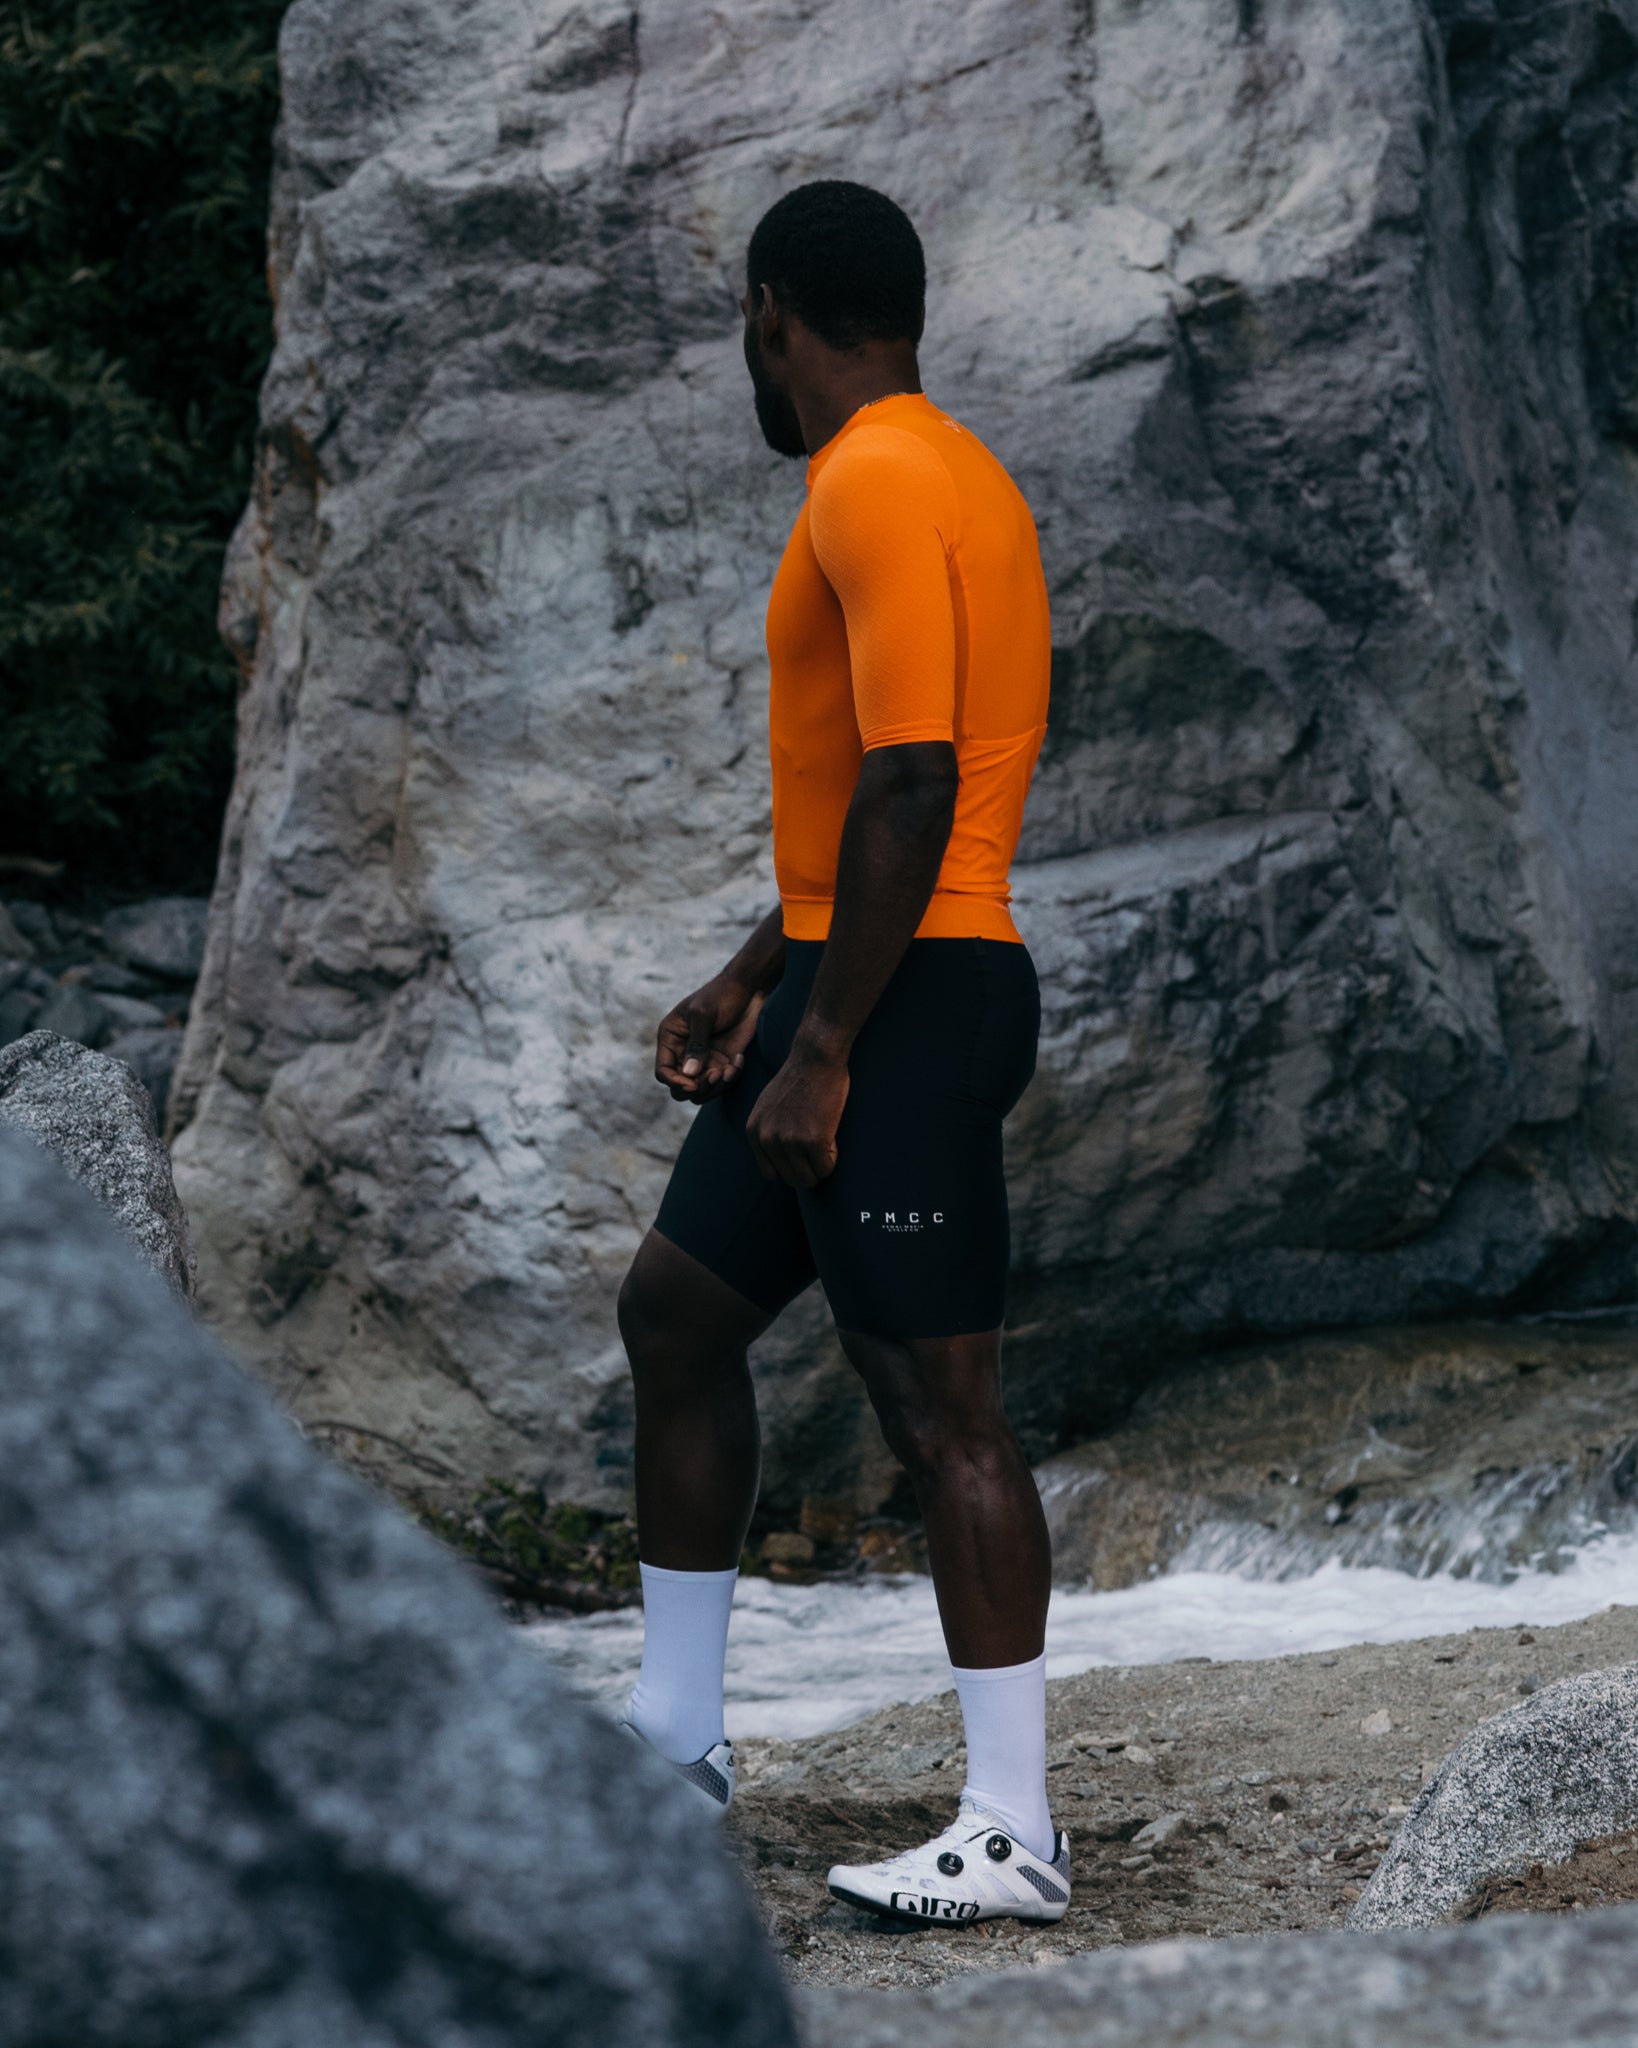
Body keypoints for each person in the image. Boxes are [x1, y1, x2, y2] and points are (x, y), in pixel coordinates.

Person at [617, 180, 1066, 1927]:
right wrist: (756, 980)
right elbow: (858, 806)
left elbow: (911, 781)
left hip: (911, 999)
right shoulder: (951, 470)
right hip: (852, 971)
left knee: (938, 1411)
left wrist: (821, 1049)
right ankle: (672, 1741)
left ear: (770, 312)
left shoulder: (872, 478)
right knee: (676, 1313)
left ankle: (1012, 1830)